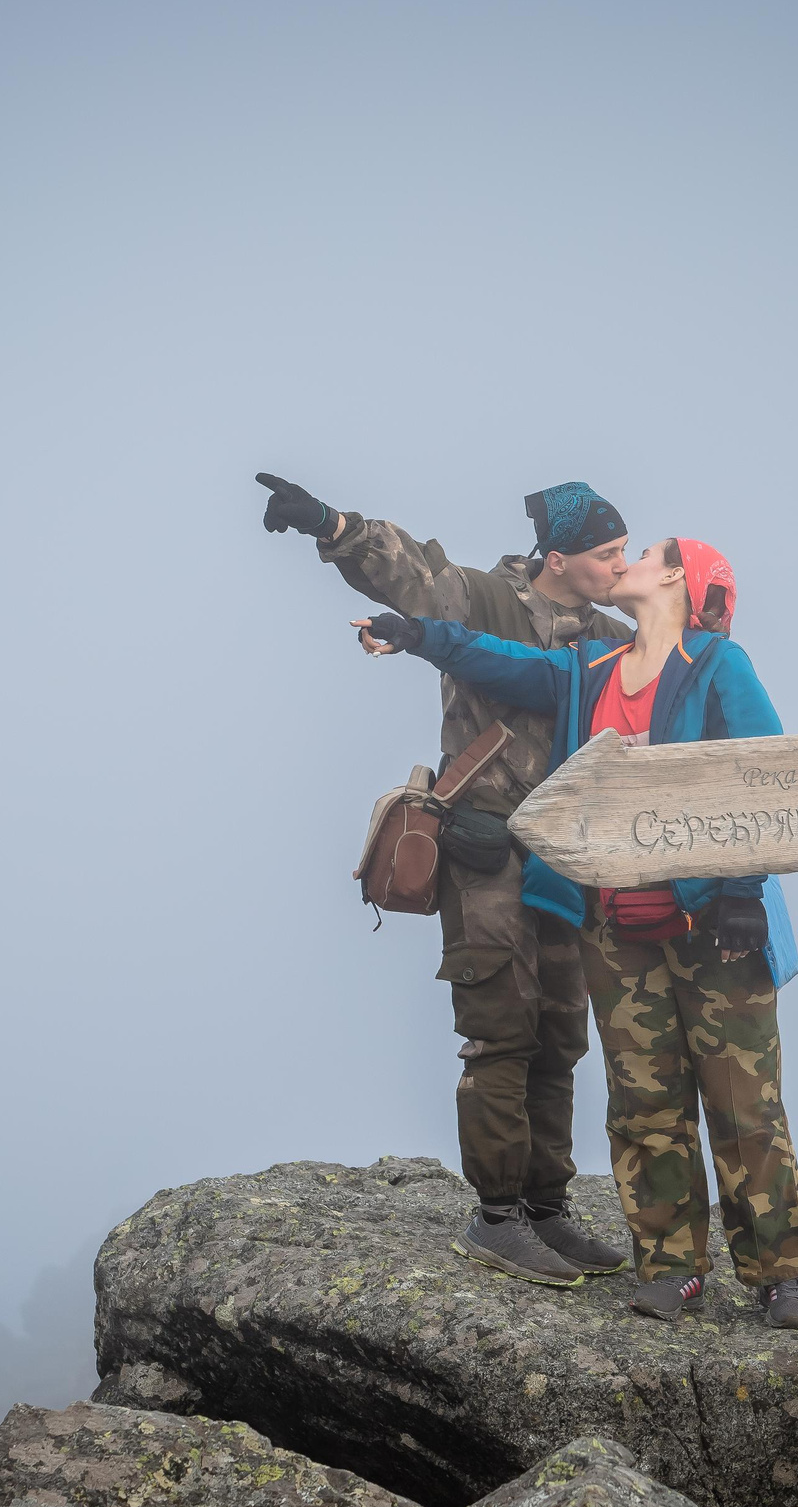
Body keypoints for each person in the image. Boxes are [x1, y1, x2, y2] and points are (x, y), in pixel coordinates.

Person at [354, 538, 798, 1329]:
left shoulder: (716, 668)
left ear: (680, 577)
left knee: (742, 1105)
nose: (628, 557)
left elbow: (760, 772)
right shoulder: (588, 671)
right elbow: (494, 657)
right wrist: (417, 634)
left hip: (715, 927)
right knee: (644, 1105)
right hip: (617, 931)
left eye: (649, 551)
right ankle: (673, 1269)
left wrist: (744, 886)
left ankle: (778, 1277)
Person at [258, 472, 635, 1289]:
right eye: (609, 553)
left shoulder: (609, 632)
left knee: (562, 1033)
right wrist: (331, 523)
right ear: (559, 556)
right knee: (502, 1028)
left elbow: (685, 638)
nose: (621, 564)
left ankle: (546, 1207)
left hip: (567, 858)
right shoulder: (479, 598)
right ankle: (496, 1216)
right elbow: (405, 572)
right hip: (486, 847)